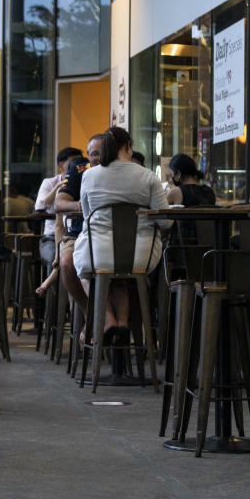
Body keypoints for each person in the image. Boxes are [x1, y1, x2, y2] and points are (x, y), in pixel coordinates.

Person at [73, 127, 169, 345]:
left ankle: (109, 321)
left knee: (87, 274)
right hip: (141, 258)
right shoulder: (148, 176)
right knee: (121, 277)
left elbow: (88, 216)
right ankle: (123, 324)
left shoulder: (89, 175)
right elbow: (166, 220)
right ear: (128, 147)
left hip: (97, 255)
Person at [49, 135, 104, 314]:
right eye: (94, 154)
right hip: (80, 233)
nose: (98, 158)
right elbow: (58, 204)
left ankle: (107, 323)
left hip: (110, 236)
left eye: (102, 153)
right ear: (88, 155)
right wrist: (78, 205)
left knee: (108, 272)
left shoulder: (121, 172)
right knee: (67, 263)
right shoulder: (80, 169)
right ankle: (89, 316)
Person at [33, 147, 82, 265]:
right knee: (54, 256)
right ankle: (52, 282)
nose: (75, 168)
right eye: (71, 164)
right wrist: (59, 187)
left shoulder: (82, 181)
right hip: (51, 236)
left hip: (76, 234)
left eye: (79, 164)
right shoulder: (49, 182)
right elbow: (39, 206)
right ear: (61, 166)